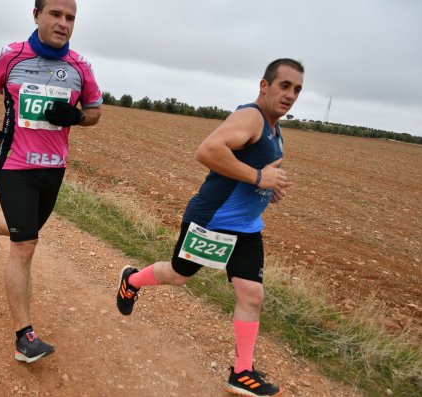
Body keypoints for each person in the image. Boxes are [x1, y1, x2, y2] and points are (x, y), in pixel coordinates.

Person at [116, 58, 304, 397]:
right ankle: (131, 280)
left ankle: (241, 372)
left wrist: (268, 188)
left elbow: (252, 170)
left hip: (246, 227)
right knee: (179, 274)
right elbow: (207, 150)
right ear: (265, 85)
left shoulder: (276, 131)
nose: (291, 94)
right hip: (212, 222)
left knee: (252, 294)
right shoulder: (251, 117)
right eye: (285, 86)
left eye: (297, 90)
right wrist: (259, 177)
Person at [0, 0, 102, 364]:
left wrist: (77, 117)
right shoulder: (12, 56)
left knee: (20, 232)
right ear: (36, 15)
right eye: (56, 14)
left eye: (70, 18)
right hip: (14, 163)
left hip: (53, 169)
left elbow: (95, 113)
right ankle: (23, 337)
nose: (63, 23)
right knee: (26, 245)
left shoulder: (80, 67)